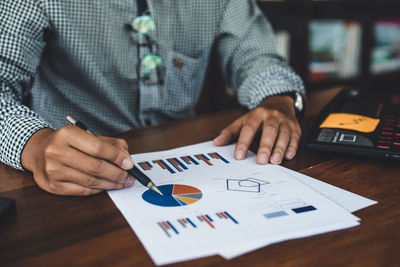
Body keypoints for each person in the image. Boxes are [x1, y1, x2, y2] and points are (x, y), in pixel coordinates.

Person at [0, 0, 305, 196]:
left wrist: (277, 99)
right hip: (67, 181)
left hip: (183, 161)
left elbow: (258, 58)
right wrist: (36, 144)